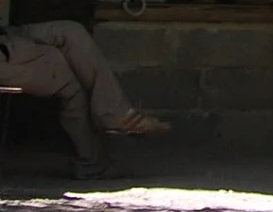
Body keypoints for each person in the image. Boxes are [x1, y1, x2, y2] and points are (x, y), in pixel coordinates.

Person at [0, 21, 169, 162]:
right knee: (67, 71)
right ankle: (98, 153)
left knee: (71, 32)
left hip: (8, 34)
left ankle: (115, 117)